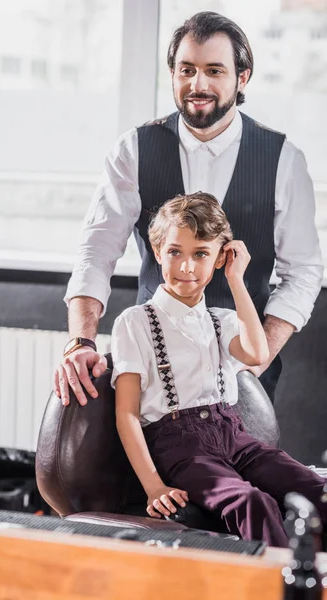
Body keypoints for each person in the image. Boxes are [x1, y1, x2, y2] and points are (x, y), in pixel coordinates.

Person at [55, 11, 323, 405]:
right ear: (173, 74)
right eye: (186, 70)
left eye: (214, 70)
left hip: (244, 377)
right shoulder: (133, 150)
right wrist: (80, 340)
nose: (198, 84)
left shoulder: (284, 159)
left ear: (242, 77)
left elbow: (303, 272)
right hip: (150, 364)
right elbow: (96, 251)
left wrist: (255, 361)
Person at [111, 193, 326, 547]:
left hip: (236, 437)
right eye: (175, 252)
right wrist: (154, 486)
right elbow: (128, 416)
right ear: (157, 250)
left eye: (201, 254)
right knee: (251, 502)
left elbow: (257, 353)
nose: (187, 267)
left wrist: (236, 280)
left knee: (316, 489)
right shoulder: (136, 323)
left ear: (219, 258)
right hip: (181, 447)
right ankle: (278, 588)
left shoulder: (222, 320)